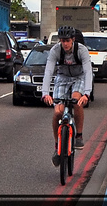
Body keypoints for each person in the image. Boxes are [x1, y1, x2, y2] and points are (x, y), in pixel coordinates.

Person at [40, 26, 94, 165]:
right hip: (62, 78)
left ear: (73, 40)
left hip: (79, 78)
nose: (65, 44)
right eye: (62, 40)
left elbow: (88, 72)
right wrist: (45, 93)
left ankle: (79, 135)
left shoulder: (81, 50)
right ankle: (57, 145)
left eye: (67, 40)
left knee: (76, 101)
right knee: (58, 112)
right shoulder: (55, 50)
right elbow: (48, 72)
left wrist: (86, 94)